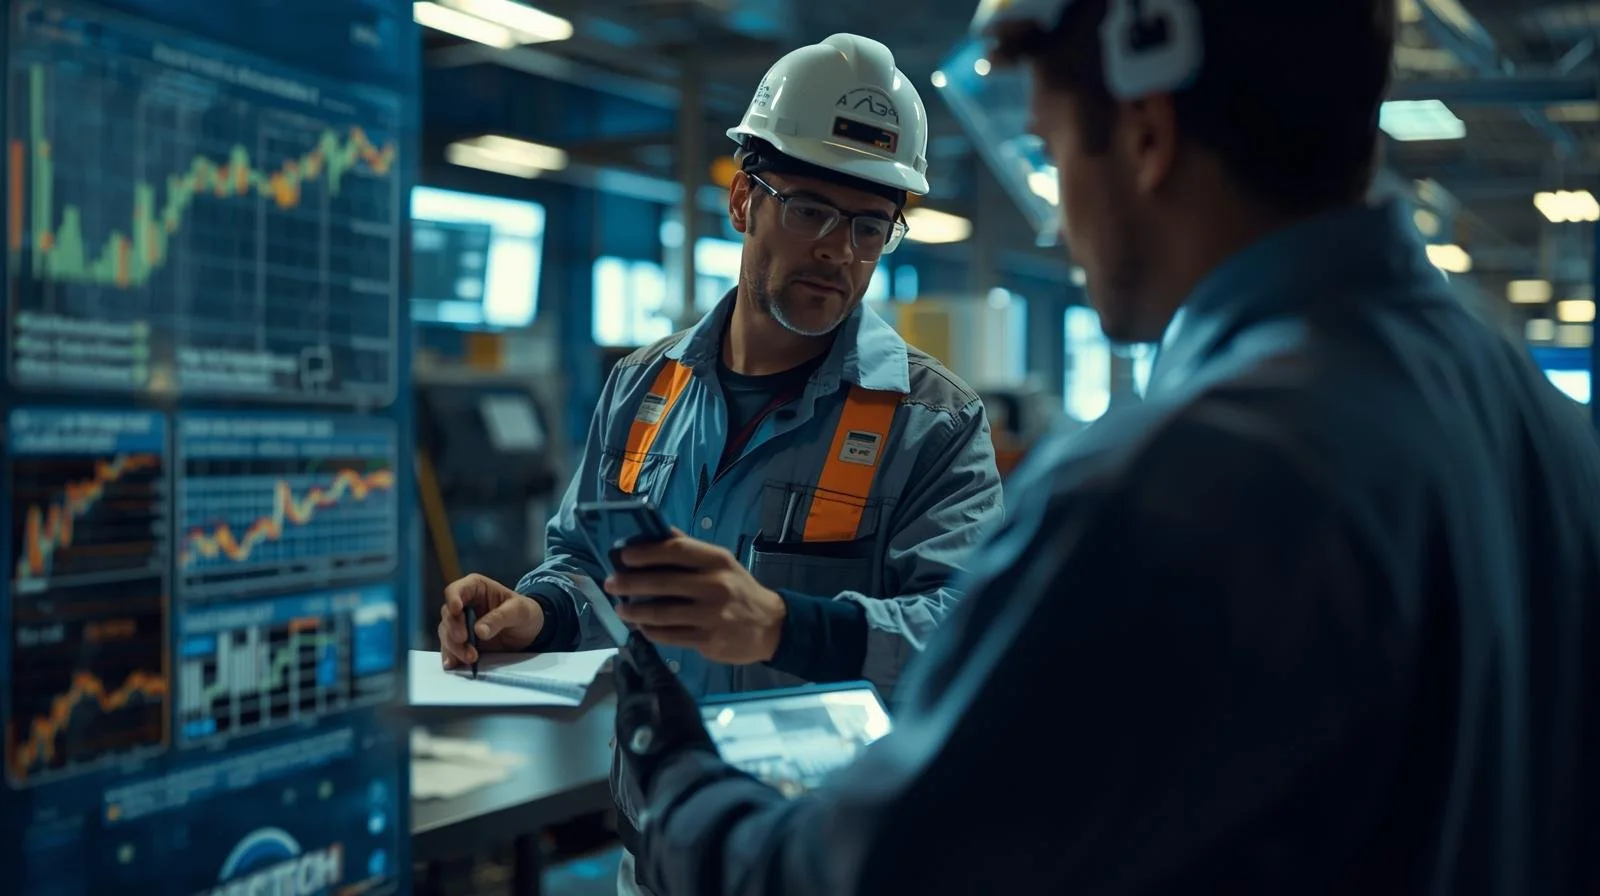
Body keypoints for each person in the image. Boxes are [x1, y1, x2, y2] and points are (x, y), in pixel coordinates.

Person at [610, 0, 1600, 894]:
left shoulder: (1171, 484)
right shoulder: (1545, 432)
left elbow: (886, 871)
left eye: (1051, 153)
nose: (1061, 224)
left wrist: (679, 788)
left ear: (1145, 134)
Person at [434, 33, 1005, 895]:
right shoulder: (641, 387)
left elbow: (970, 635)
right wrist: (538, 615)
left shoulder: (934, 423)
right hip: (655, 853)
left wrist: (787, 626)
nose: (840, 252)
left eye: (869, 225)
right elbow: (588, 567)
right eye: (812, 209)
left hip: (824, 866)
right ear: (743, 200)